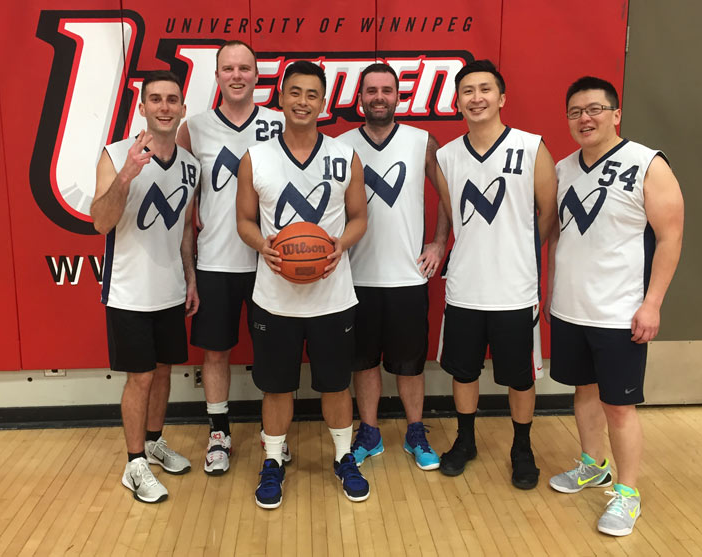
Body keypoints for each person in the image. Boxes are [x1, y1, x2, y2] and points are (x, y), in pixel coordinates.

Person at [546, 76, 684, 536]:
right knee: (583, 392)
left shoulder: (647, 162)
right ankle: (593, 465)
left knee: (619, 407)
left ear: (616, 113)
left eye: (595, 109)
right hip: (570, 308)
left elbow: (670, 237)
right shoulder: (564, 168)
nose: (585, 119)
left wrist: (653, 305)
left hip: (620, 311)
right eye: (575, 112)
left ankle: (627, 494)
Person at [236, 60, 369, 509]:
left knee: (335, 385)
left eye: (312, 94)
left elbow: (358, 218)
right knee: (277, 387)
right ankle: (273, 461)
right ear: (280, 98)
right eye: (295, 93)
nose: (303, 102)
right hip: (274, 298)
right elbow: (244, 221)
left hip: (333, 296)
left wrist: (337, 246)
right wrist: (265, 246)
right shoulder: (257, 157)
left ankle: (344, 457)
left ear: (324, 103)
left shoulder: (345, 156)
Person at [434, 60, 558, 488]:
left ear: (501, 98)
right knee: (463, 372)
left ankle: (521, 448)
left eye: (485, 89)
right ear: (457, 101)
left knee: (519, 377)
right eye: (467, 91)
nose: (477, 97)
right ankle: (464, 440)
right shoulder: (446, 156)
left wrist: (517, 251)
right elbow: (451, 216)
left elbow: (547, 215)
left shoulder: (531, 147)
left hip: (515, 290)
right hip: (465, 288)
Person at [176, 40, 290, 476]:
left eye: (245, 67)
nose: (237, 75)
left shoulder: (281, 123)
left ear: (257, 75)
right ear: (218, 75)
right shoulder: (195, 127)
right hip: (217, 263)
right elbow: (186, 208)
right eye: (229, 68)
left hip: (273, 261)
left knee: (272, 354)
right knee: (216, 353)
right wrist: (189, 271)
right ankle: (219, 433)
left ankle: (271, 436)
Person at [91, 70, 199, 503]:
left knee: (163, 372)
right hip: (128, 291)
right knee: (139, 378)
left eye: (172, 99)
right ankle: (134, 463)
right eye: (155, 99)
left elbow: (186, 231)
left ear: (182, 108)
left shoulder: (191, 164)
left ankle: (154, 443)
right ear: (142, 106)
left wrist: (190, 278)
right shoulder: (117, 155)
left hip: (171, 289)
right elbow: (101, 222)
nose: (164, 107)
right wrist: (126, 176)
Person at [336, 63, 450, 470]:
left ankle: (415, 431)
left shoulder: (422, 142)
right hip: (354, 276)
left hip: (407, 276)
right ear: (360, 97)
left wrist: (438, 243)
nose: (379, 97)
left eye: (386, 90)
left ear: (397, 96)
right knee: (362, 362)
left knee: (409, 364)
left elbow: (449, 197)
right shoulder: (341, 145)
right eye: (371, 91)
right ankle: (368, 432)